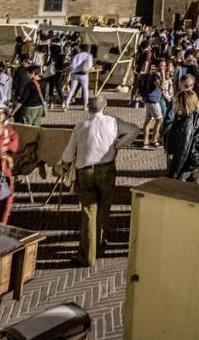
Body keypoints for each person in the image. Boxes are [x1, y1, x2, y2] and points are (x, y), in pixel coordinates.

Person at [60, 94, 128, 267]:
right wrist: (117, 145)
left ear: (88, 108)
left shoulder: (81, 126)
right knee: (104, 210)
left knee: (89, 213)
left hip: (85, 172)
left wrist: (65, 165)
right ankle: (99, 246)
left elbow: (69, 152)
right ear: (104, 107)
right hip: (106, 170)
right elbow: (134, 130)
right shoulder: (112, 122)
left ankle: (87, 255)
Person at [163, 89, 199, 183]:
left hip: (186, 167)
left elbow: (183, 149)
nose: (175, 105)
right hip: (198, 164)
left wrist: (173, 173)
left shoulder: (186, 121)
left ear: (184, 103)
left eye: (177, 102)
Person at [0, 101, 19, 224]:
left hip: (4, 169)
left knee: (6, 198)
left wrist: (6, 147)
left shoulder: (7, 130)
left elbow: (14, 143)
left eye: (2, 113)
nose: (0, 116)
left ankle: (2, 223)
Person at [12, 56, 46, 126]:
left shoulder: (30, 85)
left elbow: (22, 100)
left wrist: (13, 112)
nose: (27, 75)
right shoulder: (44, 82)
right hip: (40, 108)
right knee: (36, 128)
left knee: (27, 128)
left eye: (28, 73)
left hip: (30, 109)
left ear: (33, 73)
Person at [140, 63, 165, 149]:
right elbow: (162, 87)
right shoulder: (155, 76)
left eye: (164, 66)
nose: (164, 67)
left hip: (149, 100)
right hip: (153, 101)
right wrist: (163, 74)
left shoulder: (154, 75)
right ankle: (154, 140)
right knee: (159, 119)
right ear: (158, 67)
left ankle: (145, 142)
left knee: (148, 120)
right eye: (162, 66)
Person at [63, 43, 93, 110]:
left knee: (72, 90)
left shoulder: (77, 55)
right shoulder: (89, 55)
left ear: (81, 48)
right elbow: (90, 66)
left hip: (75, 74)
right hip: (84, 75)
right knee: (85, 90)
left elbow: (72, 66)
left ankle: (66, 104)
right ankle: (85, 105)